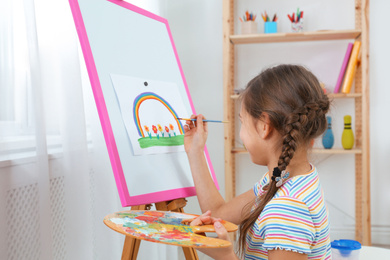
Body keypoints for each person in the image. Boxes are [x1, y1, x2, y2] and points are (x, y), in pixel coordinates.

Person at [183, 64, 332, 260]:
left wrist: (225, 255)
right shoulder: (285, 179)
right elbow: (219, 213)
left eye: (242, 122)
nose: (241, 134)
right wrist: (195, 151)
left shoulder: (286, 209)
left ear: (264, 126)